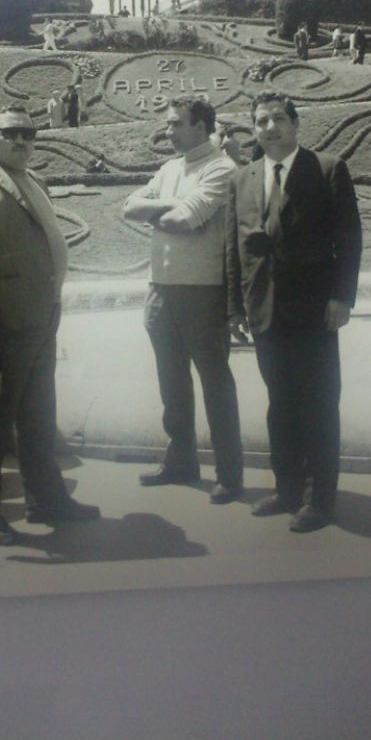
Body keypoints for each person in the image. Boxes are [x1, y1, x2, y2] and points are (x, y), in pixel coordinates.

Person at [0, 105, 99, 545]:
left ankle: (47, 501)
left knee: (38, 415)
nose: (21, 141)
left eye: (28, 134)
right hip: (2, 324)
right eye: (10, 133)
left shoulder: (35, 180)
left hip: (40, 317)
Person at [226, 92, 362, 533]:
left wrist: (342, 298)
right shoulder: (242, 179)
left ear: (296, 124)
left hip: (315, 310)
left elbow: (350, 240)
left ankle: (319, 499)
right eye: (261, 121)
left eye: (279, 119)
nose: (269, 127)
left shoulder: (326, 169)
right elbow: (233, 248)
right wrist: (235, 307)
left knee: (320, 404)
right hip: (264, 311)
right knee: (280, 404)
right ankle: (286, 489)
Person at [123, 96, 244, 503]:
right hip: (162, 289)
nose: (168, 131)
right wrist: (176, 208)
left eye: (176, 124)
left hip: (204, 291)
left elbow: (176, 221)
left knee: (215, 383)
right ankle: (182, 460)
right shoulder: (171, 167)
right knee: (171, 382)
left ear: (202, 126)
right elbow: (129, 207)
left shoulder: (223, 169)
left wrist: (163, 213)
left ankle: (229, 473)